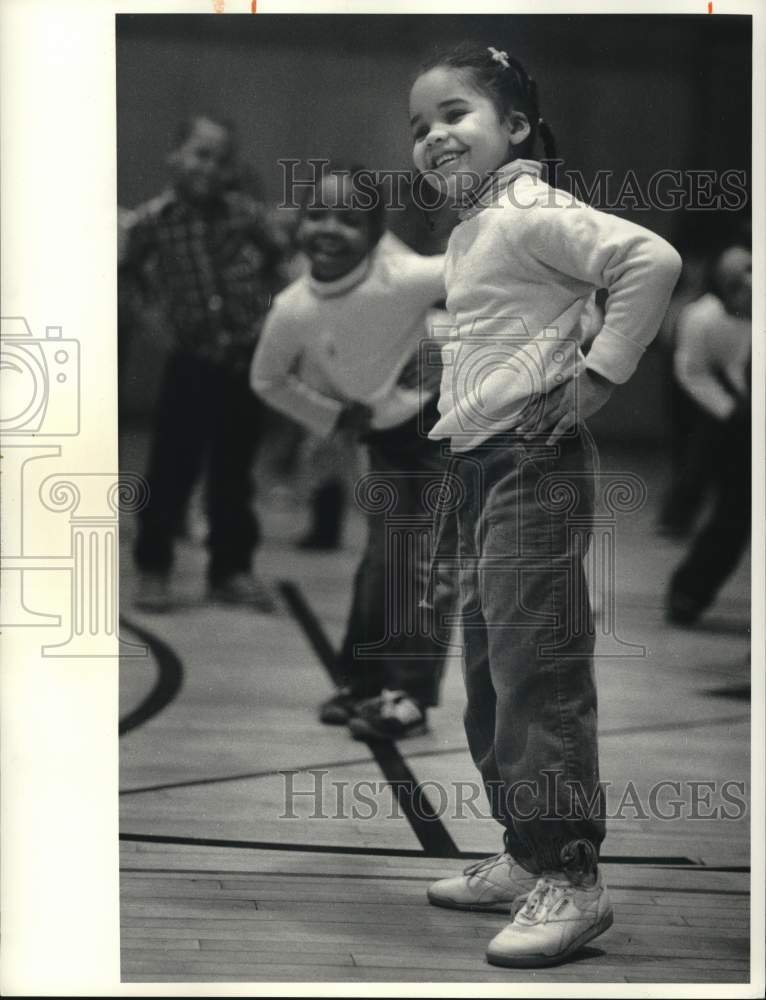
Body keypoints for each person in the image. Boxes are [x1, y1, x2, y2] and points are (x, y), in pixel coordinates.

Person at [408, 43, 682, 967]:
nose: (433, 135)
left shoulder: (529, 206)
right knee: (492, 677)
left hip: (533, 461)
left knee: (539, 676)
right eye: (419, 126)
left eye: (453, 114)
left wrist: (601, 376)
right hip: (484, 465)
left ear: (515, 127)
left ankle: (572, 877)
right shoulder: (477, 224)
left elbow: (651, 257)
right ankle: (529, 857)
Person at [251, 166, 457, 740]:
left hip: (447, 428)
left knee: (422, 567)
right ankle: (363, 682)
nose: (330, 229)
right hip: (387, 437)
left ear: (375, 230)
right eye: (318, 214)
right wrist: (334, 416)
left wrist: (445, 341)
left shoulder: (407, 278)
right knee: (382, 563)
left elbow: (484, 273)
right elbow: (267, 380)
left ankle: (409, 697)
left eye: (350, 219)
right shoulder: (293, 307)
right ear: (298, 222)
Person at [120, 115, 284, 612]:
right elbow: (127, 275)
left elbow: (280, 261)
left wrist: (271, 311)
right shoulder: (153, 220)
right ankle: (154, 567)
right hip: (191, 362)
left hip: (243, 361)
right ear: (176, 157)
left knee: (233, 474)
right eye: (200, 154)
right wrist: (153, 318)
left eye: (221, 158)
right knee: (171, 468)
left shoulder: (244, 214)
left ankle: (230, 570)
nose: (210, 168)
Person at [666, 243, 751, 625]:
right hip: (727, 415)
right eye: (738, 281)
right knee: (732, 512)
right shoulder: (701, 319)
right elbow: (693, 372)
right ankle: (687, 593)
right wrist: (731, 411)